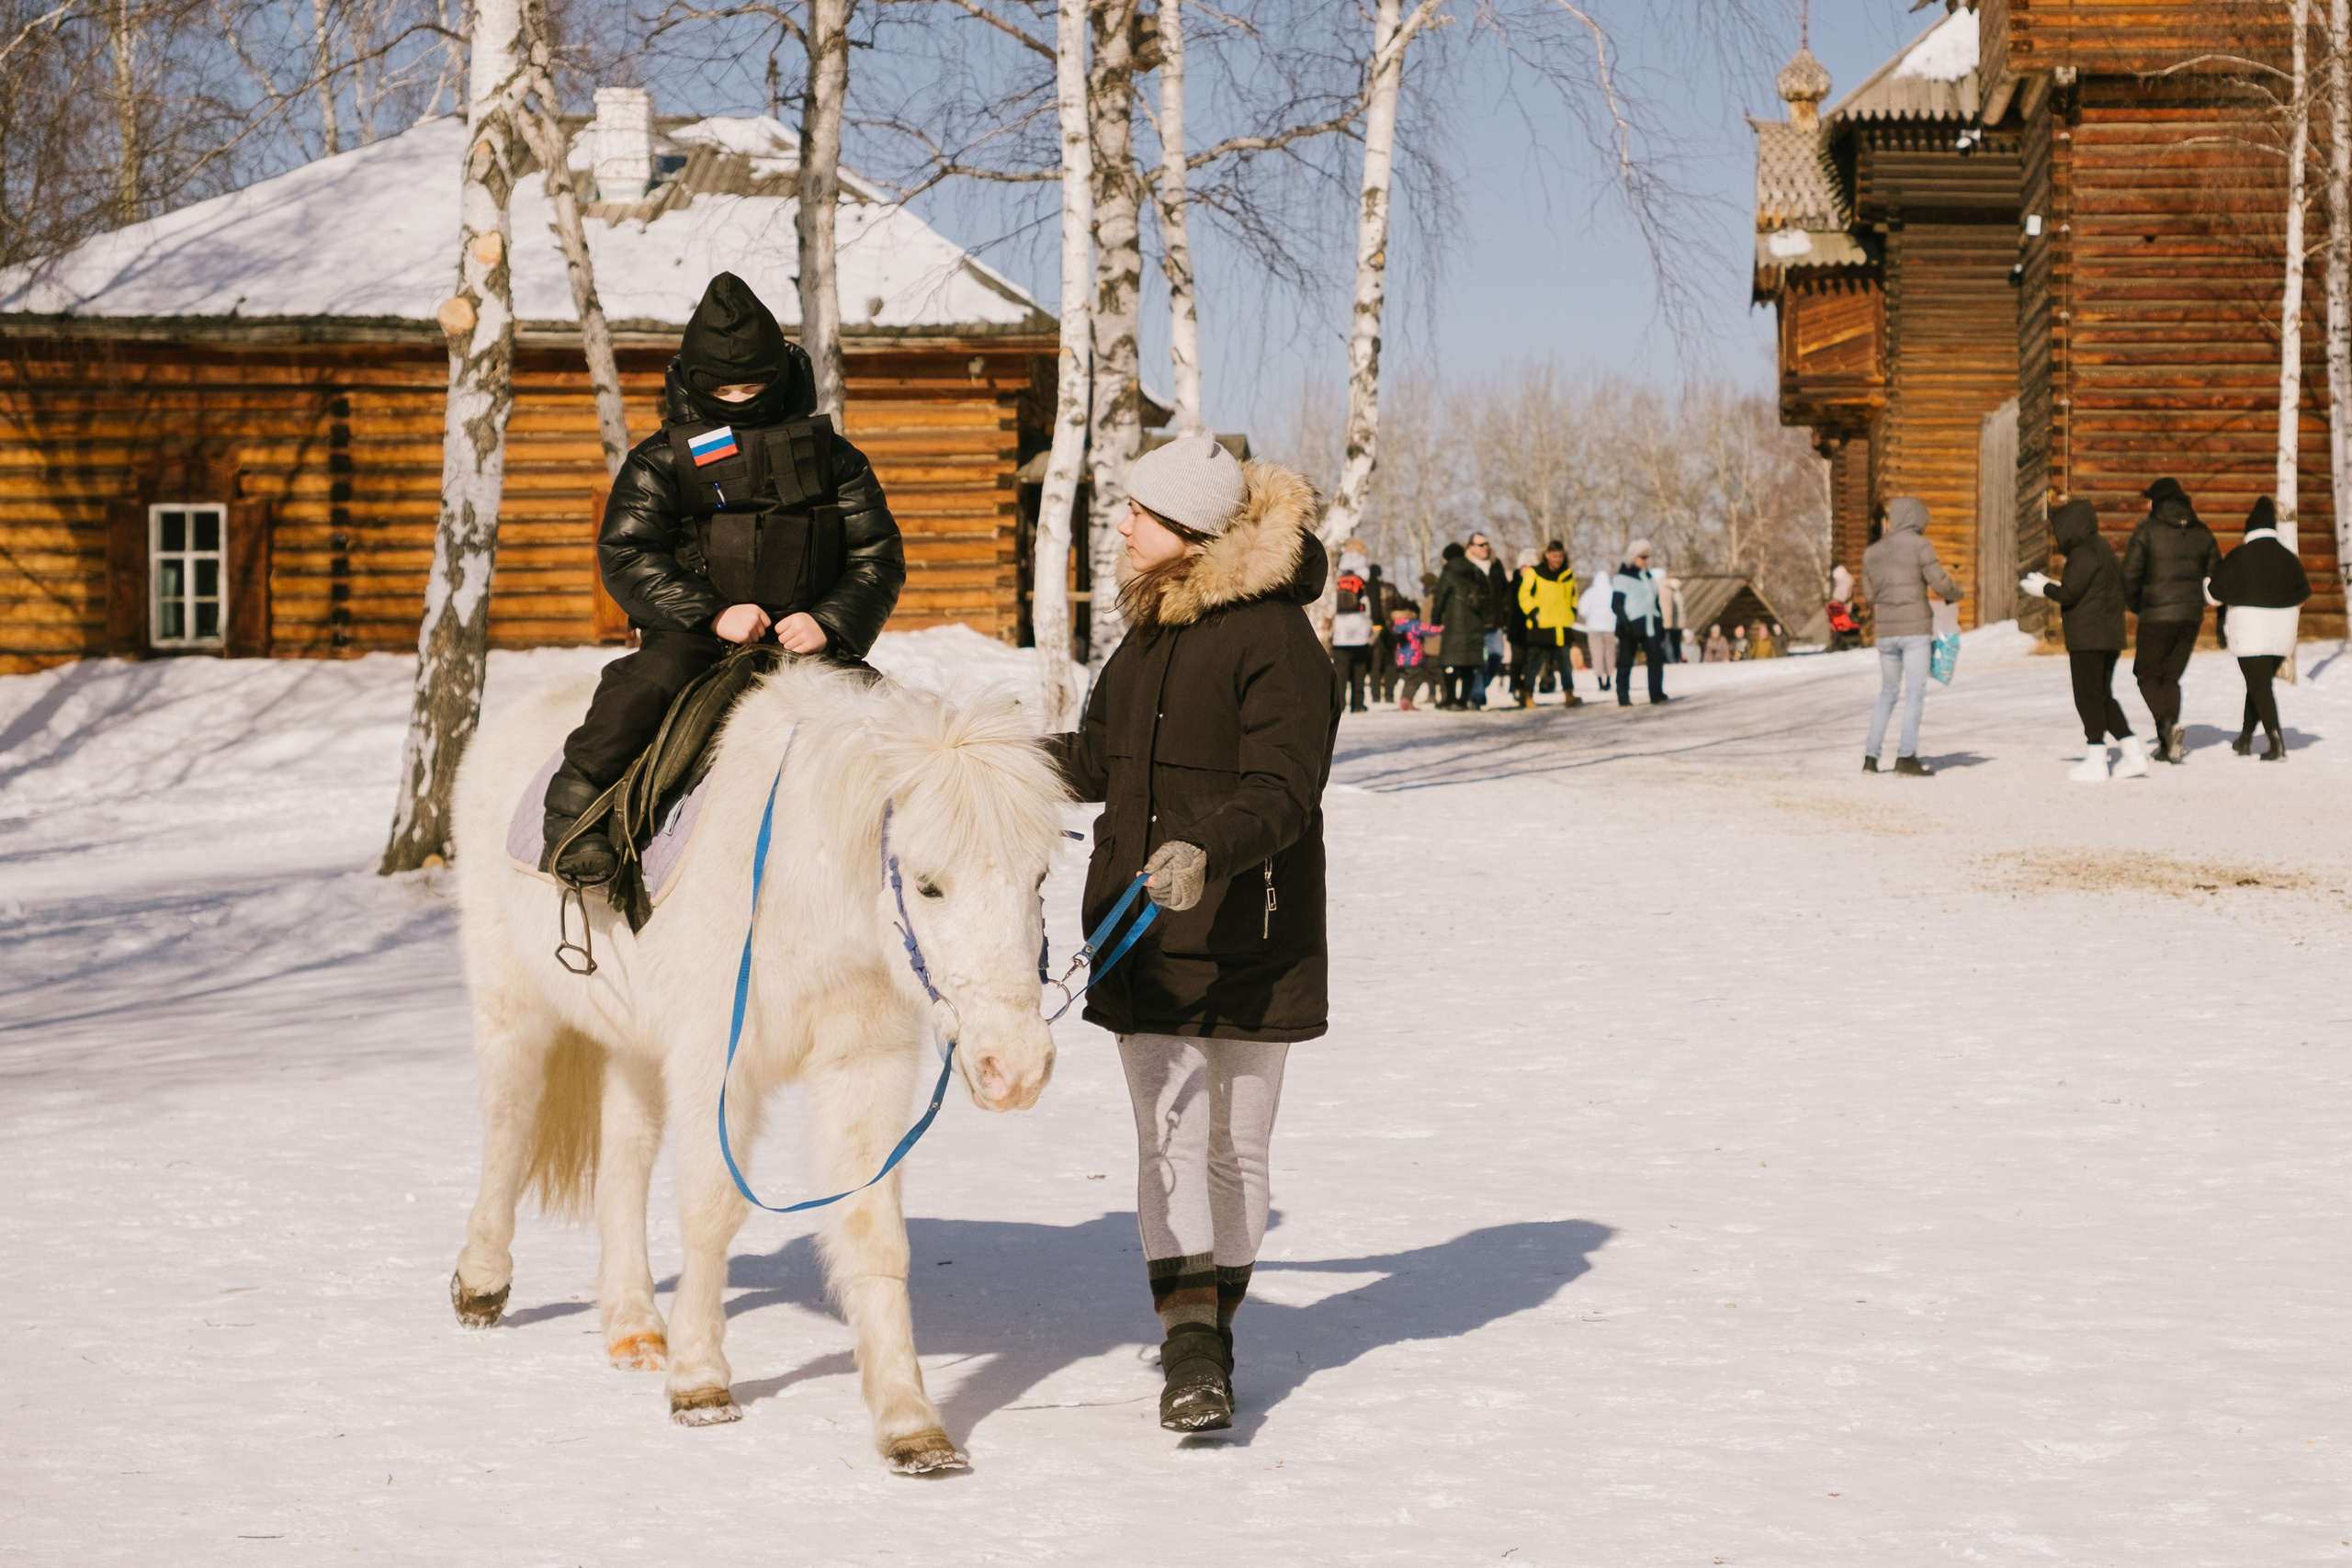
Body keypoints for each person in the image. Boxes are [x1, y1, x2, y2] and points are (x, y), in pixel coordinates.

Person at [1041, 434, 1340, 1434]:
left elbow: (1284, 790)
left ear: (1194, 531)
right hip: (1143, 931)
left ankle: (1213, 1333)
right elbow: (1099, 759)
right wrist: (990, 758)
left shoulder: (1276, 639)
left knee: (1234, 1148)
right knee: (1166, 1140)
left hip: (1252, 934)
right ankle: (1193, 1350)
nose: (1122, 524)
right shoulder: (1146, 632)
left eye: (1140, 512)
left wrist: (1209, 849)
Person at [542, 273, 904, 882]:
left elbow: (877, 555)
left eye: (752, 384)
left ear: (779, 374)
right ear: (694, 379)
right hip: (693, 637)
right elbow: (626, 551)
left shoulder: (836, 460)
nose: (737, 397)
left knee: (893, 717)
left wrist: (829, 622)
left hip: (805, 640)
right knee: (644, 687)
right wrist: (710, 613)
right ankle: (575, 812)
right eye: (721, 386)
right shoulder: (659, 459)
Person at [2019, 497, 2148, 782]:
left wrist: (2045, 588)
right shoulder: (2101, 548)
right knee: (2102, 697)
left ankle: (2096, 760)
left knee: (2087, 698)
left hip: (2089, 637)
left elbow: (2069, 593)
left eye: (2059, 529)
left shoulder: (2084, 552)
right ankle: (2133, 753)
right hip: (2107, 636)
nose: (2057, 536)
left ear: (2071, 526)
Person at [2120, 476, 2222, 763]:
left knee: (2146, 675)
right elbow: (2217, 575)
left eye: (2149, 500)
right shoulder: (2203, 532)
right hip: (2190, 617)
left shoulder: (2147, 531)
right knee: (2169, 678)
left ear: (2158, 501)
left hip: (2155, 615)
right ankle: (2169, 744)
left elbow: (2128, 574)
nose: (2146, 505)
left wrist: (2138, 605)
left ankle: (2168, 727)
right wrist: (2199, 602)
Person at [1861, 497, 1963, 775]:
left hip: (1885, 633)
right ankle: (1906, 756)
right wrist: (1957, 593)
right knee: (1915, 692)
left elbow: (1869, 595)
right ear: (1917, 519)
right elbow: (1940, 583)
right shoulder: (1920, 546)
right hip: (1915, 630)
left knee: (1888, 692)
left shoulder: (1872, 553)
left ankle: (1870, 757)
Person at [2208, 495, 2311, 761]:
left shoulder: (2239, 556)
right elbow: (2303, 592)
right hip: (2282, 637)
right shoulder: (2288, 557)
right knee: (2258, 684)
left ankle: (2276, 743)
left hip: (2249, 633)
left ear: (2249, 529)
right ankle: (2244, 739)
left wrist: (2206, 582)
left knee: (2260, 686)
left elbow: (2215, 594)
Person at [1516, 538, 1582, 707]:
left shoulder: (1568, 574)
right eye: (1554, 556)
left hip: (1562, 625)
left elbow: (1574, 596)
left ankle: (1569, 694)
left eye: (1560, 556)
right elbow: (1524, 595)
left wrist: (1572, 611)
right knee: (1534, 663)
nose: (1557, 560)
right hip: (1541, 626)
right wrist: (1533, 612)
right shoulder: (1535, 573)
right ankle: (1526, 694)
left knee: (1565, 664)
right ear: (1547, 555)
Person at [1431, 541, 1491, 710]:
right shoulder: (1476, 571)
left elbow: (1440, 597)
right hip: (1475, 623)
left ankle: (1450, 698)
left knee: (1450, 663)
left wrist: (1436, 619)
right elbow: (1487, 596)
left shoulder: (1448, 573)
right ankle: (1463, 700)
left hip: (1454, 623)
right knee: (1469, 664)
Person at [1611, 540, 1670, 706]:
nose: (1646, 561)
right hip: (1631, 624)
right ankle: (1623, 695)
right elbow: (1617, 603)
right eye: (1642, 557)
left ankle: (1656, 693)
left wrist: (1660, 623)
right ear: (1633, 557)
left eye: (1648, 557)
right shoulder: (1622, 578)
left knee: (1655, 659)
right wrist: (1624, 622)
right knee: (1626, 661)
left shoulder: (1648, 577)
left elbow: (1655, 601)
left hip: (1651, 623)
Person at [1329, 538, 1375, 715]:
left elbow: (1330, 601)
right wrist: (1375, 624)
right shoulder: (1366, 574)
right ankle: (1358, 703)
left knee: (1340, 668)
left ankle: (1340, 703)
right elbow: (1372, 600)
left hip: (1341, 627)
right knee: (1359, 666)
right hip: (1360, 626)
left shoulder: (1338, 574)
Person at [1465, 533, 1510, 702]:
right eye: (1481, 544)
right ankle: (1476, 696)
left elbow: (1504, 591)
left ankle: (1480, 687)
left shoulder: (1496, 564)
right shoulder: (1467, 566)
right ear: (1471, 547)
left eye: (1486, 544)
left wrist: (1505, 615)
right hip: (1474, 621)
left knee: (1497, 655)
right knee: (1477, 661)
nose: (1485, 547)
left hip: (1495, 621)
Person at [1506, 547, 1539, 703]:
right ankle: (1516, 686)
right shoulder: (1512, 585)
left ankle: (1527, 690)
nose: (1528, 569)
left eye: (1531, 566)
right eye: (1525, 566)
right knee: (1518, 660)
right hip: (1516, 629)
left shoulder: (1538, 585)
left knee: (1531, 662)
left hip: (1533, 628)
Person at [1388, 604, 1436, 710]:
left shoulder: (1396, 625)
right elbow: (1428, 630)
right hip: (1413, 658)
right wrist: (1442, 629)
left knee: (1409, 681)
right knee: (1415, 679)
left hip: (1401, 660)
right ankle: (1406, 700)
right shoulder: (1413, 624)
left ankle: (1405, 700)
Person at [1577, 573, 1618, 693]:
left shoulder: (1590, 593)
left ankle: (1600, 680)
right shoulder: (1612, 591)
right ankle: (1609, 678)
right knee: (1610, 654)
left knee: (1597, 654)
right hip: (1610, 627)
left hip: (1594, 627)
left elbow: (1583, 610)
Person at [1659, 573, 1686, 662]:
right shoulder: (1679, 594)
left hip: (1670, 623)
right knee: (1676, 643)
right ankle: (1675, 659)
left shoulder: (1670, 593)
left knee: (1668, 642)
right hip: (1678, 623)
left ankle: (1671, 660)